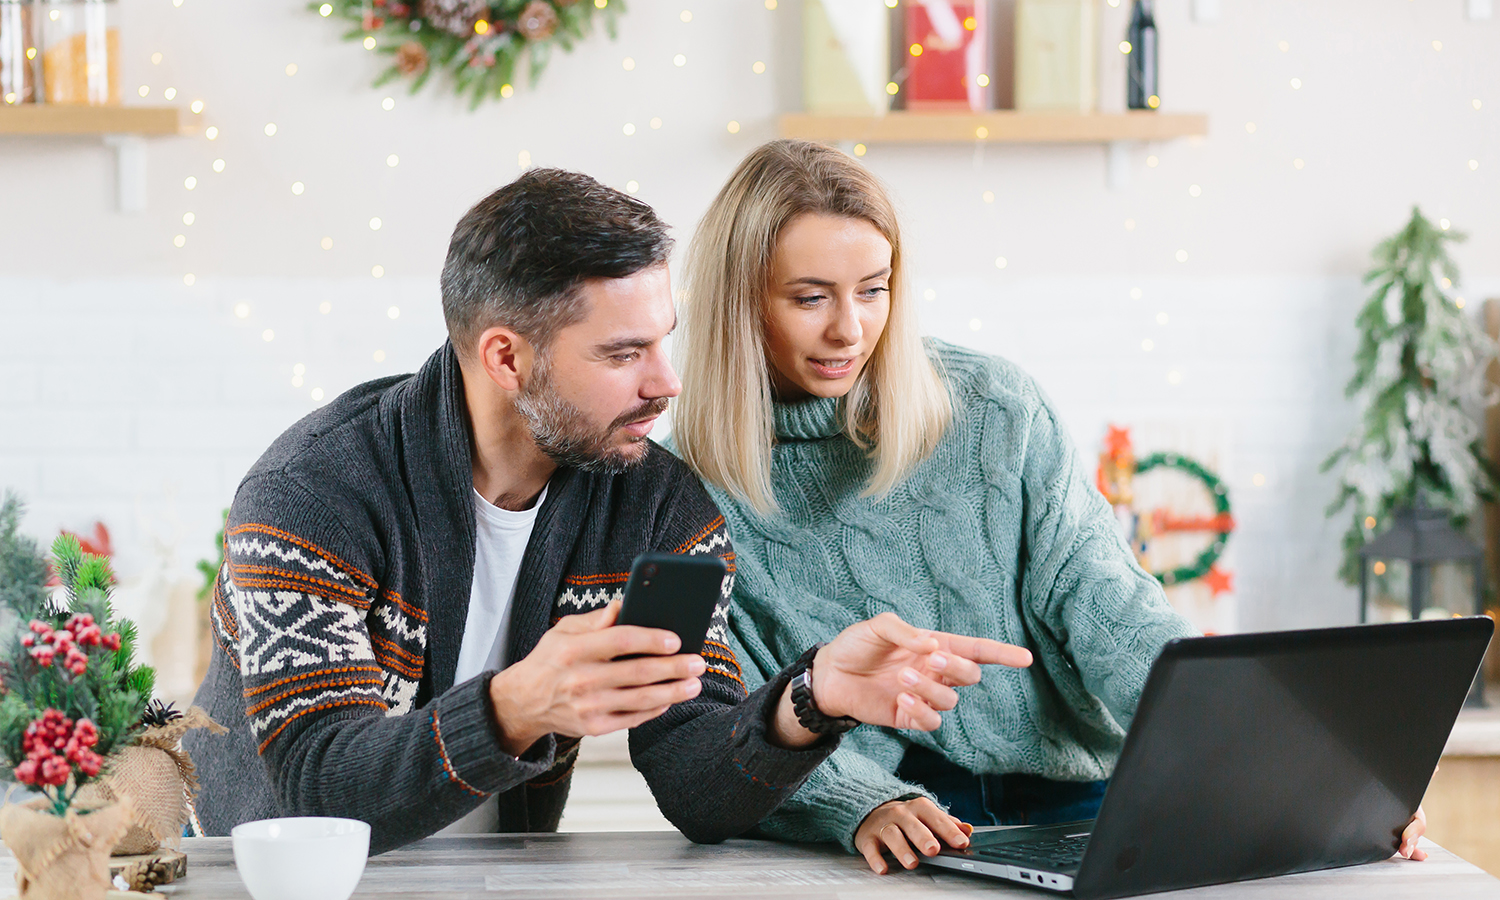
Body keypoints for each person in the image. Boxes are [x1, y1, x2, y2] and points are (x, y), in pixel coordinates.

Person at [183, 168, 1032, 854]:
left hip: (493, 878)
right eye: (624, 353)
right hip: (263, 880)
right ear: (506, 357)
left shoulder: (658, 506)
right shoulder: (316, 491)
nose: (665, 382)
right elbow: (321, 785)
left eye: (663, 339)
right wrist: (516, 705)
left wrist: (807, 700)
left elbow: (693, 780)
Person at [669, 139, 1429, 874]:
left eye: (873, 289)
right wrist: (858, 805)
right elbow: (723, 725)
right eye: (810, 298)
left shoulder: (992, 406)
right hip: (884, 821)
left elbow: (1108, 604)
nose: (851, 329)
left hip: (1078, 794)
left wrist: (1286, 761)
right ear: (740, 303)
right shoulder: (680, 483)